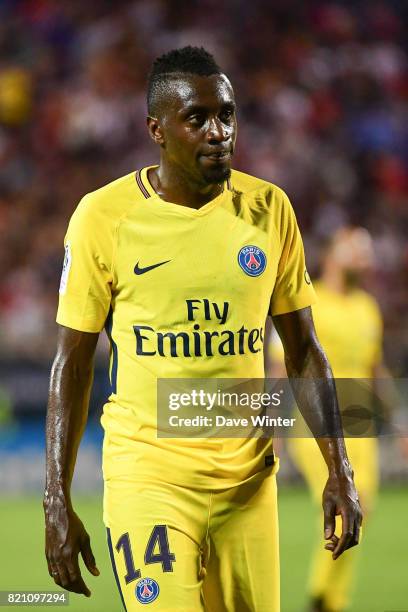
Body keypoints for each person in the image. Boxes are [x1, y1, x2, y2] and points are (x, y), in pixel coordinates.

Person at [43, 46, 362, 612]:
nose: (218, 132)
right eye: (198, 118)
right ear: (157, 131)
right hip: (150, 478)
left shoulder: (270, 209)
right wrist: (56, 497)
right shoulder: (103, 217)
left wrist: (340, 469)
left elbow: (304, 352)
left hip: (249, 484)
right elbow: (72, 363)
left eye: (227, 115)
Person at [268, 227, 383, 612]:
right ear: (332, 253)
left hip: (361, 424)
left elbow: (373, 368)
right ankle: (320, 600)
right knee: (351, 500)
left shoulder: (368, 307)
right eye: (356, 247)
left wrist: (399, 421)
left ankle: (331, 601)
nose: (365, 255)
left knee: (358, 512)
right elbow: (282, 367)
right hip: (315, 424)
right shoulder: (307, 301)